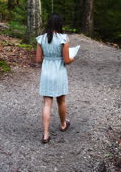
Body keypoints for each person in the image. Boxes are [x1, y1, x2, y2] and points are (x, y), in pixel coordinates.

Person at [35, 13, 74, 144]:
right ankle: (63, 124)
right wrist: (73, 57)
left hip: (46, 72)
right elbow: (67, 60)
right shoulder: (64, 38)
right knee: (61, 101)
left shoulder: (41, 39)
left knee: (47, 103)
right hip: (59, 72)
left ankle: (46, 134)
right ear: (60, 24)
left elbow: (38, 59)